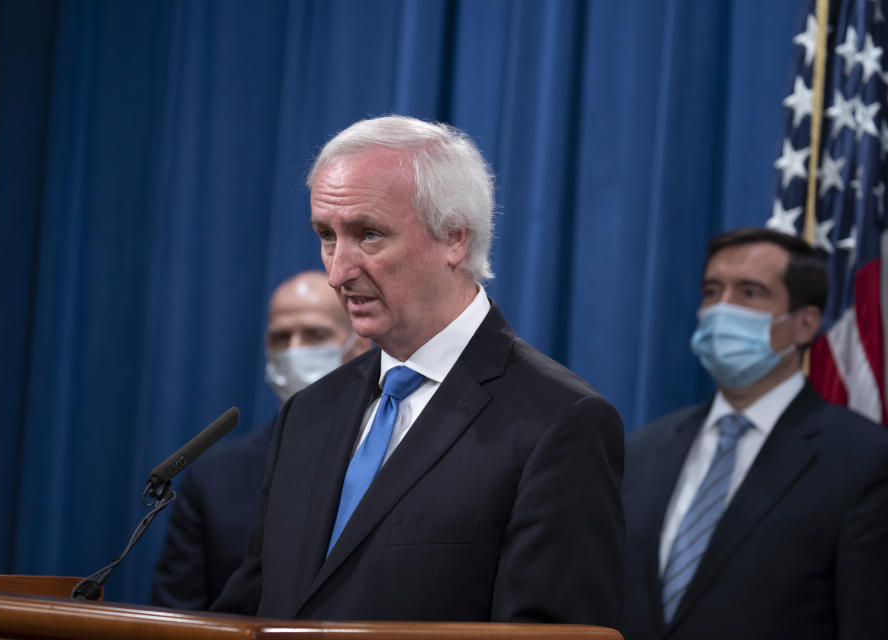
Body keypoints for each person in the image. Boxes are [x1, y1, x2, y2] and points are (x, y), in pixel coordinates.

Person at [211, 115, 625, 625]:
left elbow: (548, 634)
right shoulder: (309, 412)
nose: (338, 272)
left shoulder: (559, 422)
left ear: (454, 238)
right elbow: (254, 607)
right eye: (326, 235)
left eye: (368, 235)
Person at [621, 227, 888, 640]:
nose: (720, 309)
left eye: (749, 293)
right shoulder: (643, 450)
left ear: (804, 324)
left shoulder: (863, 458)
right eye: (711, 292)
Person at [149, 271, 369, 610]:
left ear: (361, 345)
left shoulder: (386, 454)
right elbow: (176, 612)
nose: (294, 351)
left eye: (314, 335)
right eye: (281, 338)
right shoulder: (214, 478)